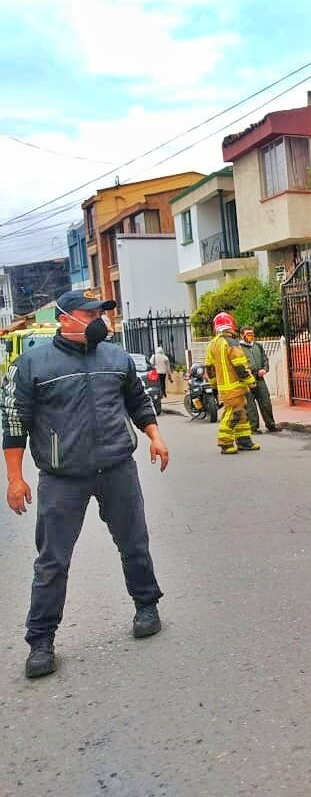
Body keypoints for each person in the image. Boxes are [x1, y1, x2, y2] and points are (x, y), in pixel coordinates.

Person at [2, 290, 170, 679]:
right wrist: (15, 478)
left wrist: (155, 436)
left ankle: (147, 605)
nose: (99, 319)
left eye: (102, 313)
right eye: (89, 313)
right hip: (63, 479)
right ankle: (41, 640)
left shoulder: (115, 357)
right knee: (52, 561)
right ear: (65, 319)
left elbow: (138, 402)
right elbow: (14, 424)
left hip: (117, 468)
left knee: (134, 544)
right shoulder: (32, 365)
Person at [205, 311, 258, 455]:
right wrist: (250, 380)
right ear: (230, 326)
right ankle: (225, 442)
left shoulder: (212, 344)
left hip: (224, 387)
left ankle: (244, 441)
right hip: (235, 386)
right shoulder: (231, 342)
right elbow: (240, 365)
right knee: (234, 413)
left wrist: (214, 383)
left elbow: (209, 367)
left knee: (242, 413)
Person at [239, 327, 280, 434]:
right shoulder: (239, 348)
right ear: (242, 335)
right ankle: (253, 428)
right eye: (248, 334)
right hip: (247, 381)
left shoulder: (258, 346)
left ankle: (271, 425)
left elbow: (265, 359)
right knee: (250, 406)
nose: (250, 336)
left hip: (260, 379)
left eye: (252, 333)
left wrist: (265, 369)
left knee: (266, 402)